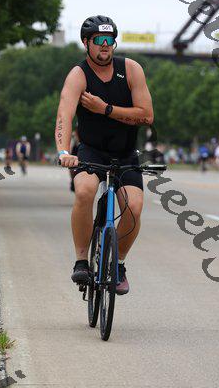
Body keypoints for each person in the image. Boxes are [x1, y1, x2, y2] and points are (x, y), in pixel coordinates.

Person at [55, 15, 153, 295]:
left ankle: (118, 263)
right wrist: (64, 151)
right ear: (86, 43)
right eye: (99, 40)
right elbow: (64, 116)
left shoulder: (131, 70)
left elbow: (146, 116)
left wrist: (105, 109)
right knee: (84, 192)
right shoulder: (78, 75)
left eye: (110, 40)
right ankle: (81, 261)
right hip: (91, 151)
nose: (105, 45)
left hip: (125, 153)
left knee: (134, 208)